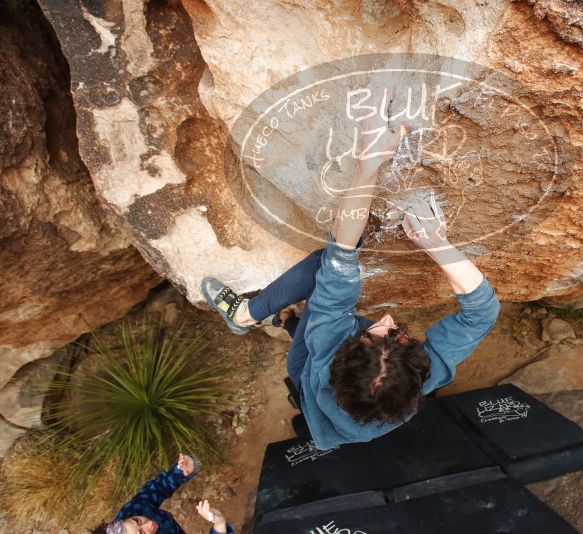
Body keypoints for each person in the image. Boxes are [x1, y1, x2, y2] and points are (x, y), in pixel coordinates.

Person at [202, 86, 500, 450]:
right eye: (399, 335)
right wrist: (436, 242)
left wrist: (369, 162)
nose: (389, 319)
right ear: (418, 372)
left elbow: (339, 256)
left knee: (319, 277)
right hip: (333, 407)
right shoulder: (420, 376)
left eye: (377, 333)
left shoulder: (327, 350)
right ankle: (285, 321)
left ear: (342, 357)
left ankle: (247, 315)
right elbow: (481, 313)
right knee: (314, 312)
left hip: (306, 374)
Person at [103, 453, 235, 534]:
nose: (149, 524)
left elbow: (157, 488)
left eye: (138, 521)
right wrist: (219, 525)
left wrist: (180, 472)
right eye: (142, 533)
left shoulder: (132, 511)